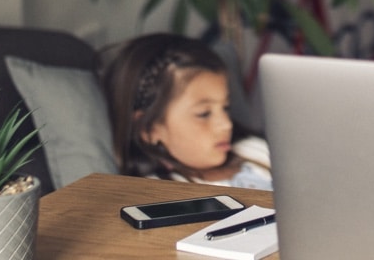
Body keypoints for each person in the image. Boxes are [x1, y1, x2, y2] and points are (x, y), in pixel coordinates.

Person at [97, 33, 272, 190]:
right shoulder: (163, 193)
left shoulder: (254, 150)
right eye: (204, 114)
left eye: (225, 108)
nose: (226, 124)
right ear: (149, 129)